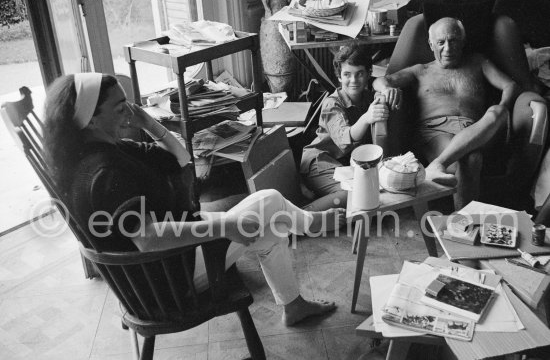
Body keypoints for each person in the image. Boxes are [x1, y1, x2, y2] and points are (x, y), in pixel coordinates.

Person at [43, 73, 345, 326]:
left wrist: (148, 123)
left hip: (164, 262)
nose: (129, 111)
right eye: (120, 106)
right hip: (166, 281)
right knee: (269, 202)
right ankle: (312, 223)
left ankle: (293, 304)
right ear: (91, 119)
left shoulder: (101, 151)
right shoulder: (104, 172)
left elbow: (182, 159)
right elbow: (148, 239)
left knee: (268, 224)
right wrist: (224, 226)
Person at [373, 17, 520, 208]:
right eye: (441, 42)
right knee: (471, 159)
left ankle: (438, 165)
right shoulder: (420, 70)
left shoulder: (478, 62)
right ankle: (463, 225)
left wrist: (504, 110)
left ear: (463, 41)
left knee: (498, 111)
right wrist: (385, 89)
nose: (448, 49)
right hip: (435, 132)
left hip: (476, 129)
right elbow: (382, 81)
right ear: (431, 44)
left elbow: (509, 85)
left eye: (454, 41)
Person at [300, 44, 395, 211]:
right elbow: (345, 139)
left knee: (369, 193)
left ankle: (317, 194)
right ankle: (299, 216)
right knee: (353, 193)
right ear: (339, 77)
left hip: (344, 165)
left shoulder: (368, 98)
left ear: (368, 74)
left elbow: (379, 87)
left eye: (360, 74)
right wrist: (366, 118)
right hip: (319, 161)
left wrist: (383, 92)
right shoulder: (332, 103)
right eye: (347, 74)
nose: (353, 80)